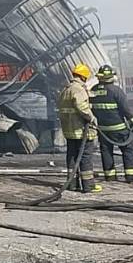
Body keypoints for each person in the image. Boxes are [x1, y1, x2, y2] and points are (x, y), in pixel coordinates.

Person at [90, 65, 133, 184]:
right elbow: (125, 109)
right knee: (128, 149)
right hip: (119, 129)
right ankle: (131, 177)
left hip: (103, 129)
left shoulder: (93, 90)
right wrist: (132, 120)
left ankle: (110, 177)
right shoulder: (116, 90)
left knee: (106, 151)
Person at [57, 63, 101, 193]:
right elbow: (82, 106)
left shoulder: (66, 89)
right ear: (83, 77)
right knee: (85, 156)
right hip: (81, 130)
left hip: (69, 130)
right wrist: (91, 118)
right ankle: (88, 185)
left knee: (72, 156)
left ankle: (72, 184)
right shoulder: (78, 89)